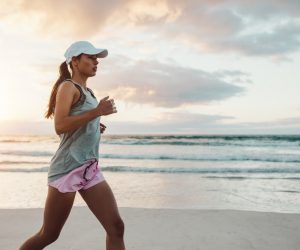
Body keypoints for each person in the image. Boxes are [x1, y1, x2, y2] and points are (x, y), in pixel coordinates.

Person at [19, 41, 125, 250]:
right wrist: (96, 112)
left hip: (89, 169)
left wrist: (94, 124)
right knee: (48, 235)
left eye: (97, 58)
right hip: (67, 170)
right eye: (91, 57)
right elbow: (60, 125)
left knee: (116, 227)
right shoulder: (67, 87)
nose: (96, 62)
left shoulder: (89, 92)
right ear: (75, 61)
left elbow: (77, 121)